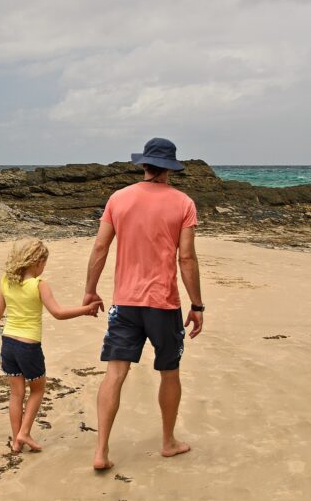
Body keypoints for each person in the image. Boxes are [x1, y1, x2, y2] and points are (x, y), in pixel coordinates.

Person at [83, 138, 204, 470]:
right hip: (163, 304)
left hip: (125, 303)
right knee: (169, 372)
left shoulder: (118, 199)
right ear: (170, 169)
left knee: (115, 373)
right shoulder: (183, 203)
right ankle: (168, 442)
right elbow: (187, 258)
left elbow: (100, 248)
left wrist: (90, 291)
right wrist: (197, 305)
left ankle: (101, 451)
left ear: (145, 165)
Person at [0, 240, 102, 453]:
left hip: (8, 343)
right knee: (37, 389)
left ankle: (16, 442)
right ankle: (25, 432)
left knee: (16, 393)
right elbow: (58, 313)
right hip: (28, 346)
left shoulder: (6, 281)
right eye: (44, 263)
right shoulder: (39, 285)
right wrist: (85, 310)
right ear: (37, 262)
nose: (43, 269)